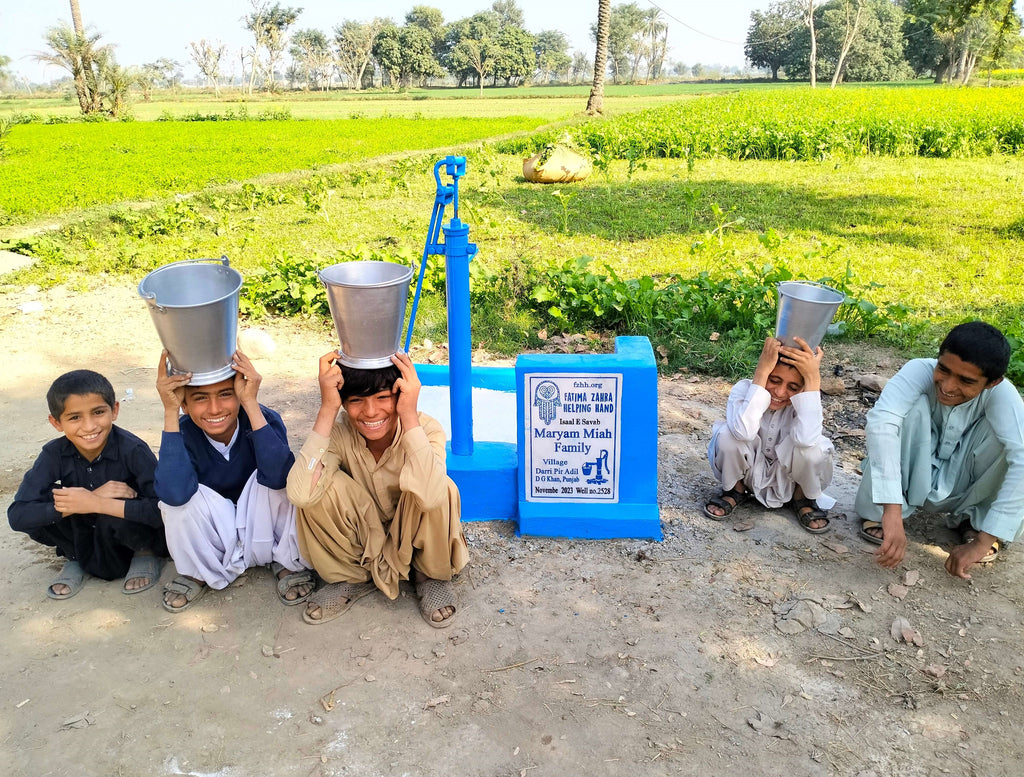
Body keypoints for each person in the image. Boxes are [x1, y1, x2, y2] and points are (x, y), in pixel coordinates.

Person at [287, 350, 468, 628]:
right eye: (356, 400)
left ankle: (429, 576)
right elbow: (300, 494)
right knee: (317, 487)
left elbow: (432, 497)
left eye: (383, 398)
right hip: (363, 533)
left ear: (400, 394)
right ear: (344, 403)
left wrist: (408, 415)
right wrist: (327, 409)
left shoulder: (426, 428)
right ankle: (349, 577)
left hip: (410, 533)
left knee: (440, 485)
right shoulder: (338, 433)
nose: (371, 412)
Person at [856, 321, 1024, 579]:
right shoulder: (917, 370)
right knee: (901, 414)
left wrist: (981, 543)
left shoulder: (1003, 395)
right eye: (943, 370)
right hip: (912, 474)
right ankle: (879, 513)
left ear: (992, 382)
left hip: (967, 483)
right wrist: (891, 511)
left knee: (1013, 441)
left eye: (965, 381)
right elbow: (882, 424)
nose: (947, 386)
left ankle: (976, 523)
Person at [154, 349, 313, 612]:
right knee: (174, 504)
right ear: (185, 404)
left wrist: (250, 404)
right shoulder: (179, 431)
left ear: (239, 393)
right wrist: (170, 412)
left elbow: (278, 477)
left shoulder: (263, 419)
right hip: (217, 534)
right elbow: (173, 493)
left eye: (226, 394)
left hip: (263, 527)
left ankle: (285, 561)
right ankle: (198, 571)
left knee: (286, 479)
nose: (215, 409)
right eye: (200, 398)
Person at [8, 370, 166, 599]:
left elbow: (161, 510)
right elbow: (18, 515)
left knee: (120, 499)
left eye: (98, 412)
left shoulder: (133, 450)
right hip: (85, 532)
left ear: (115, 410)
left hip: (126, 534)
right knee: (49, 501)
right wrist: (83, 501)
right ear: (56, 422)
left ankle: (143, 553)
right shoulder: (53, 454)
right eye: (74, 417)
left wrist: (97, 503)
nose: (89, 426)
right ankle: (75, 556)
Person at [704, 336, 835, 533]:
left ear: (802, 388)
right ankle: (734, 490)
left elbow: (806, 439)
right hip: (749, 473)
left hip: (789, 478)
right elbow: (743, 432)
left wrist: (813, 380)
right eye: (774, 380)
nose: (781, 392)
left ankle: (803, 498)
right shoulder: (744, 389)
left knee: (814, 449)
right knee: (727, 436)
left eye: (793, 387)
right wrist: (762, 372)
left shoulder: (806, 402)